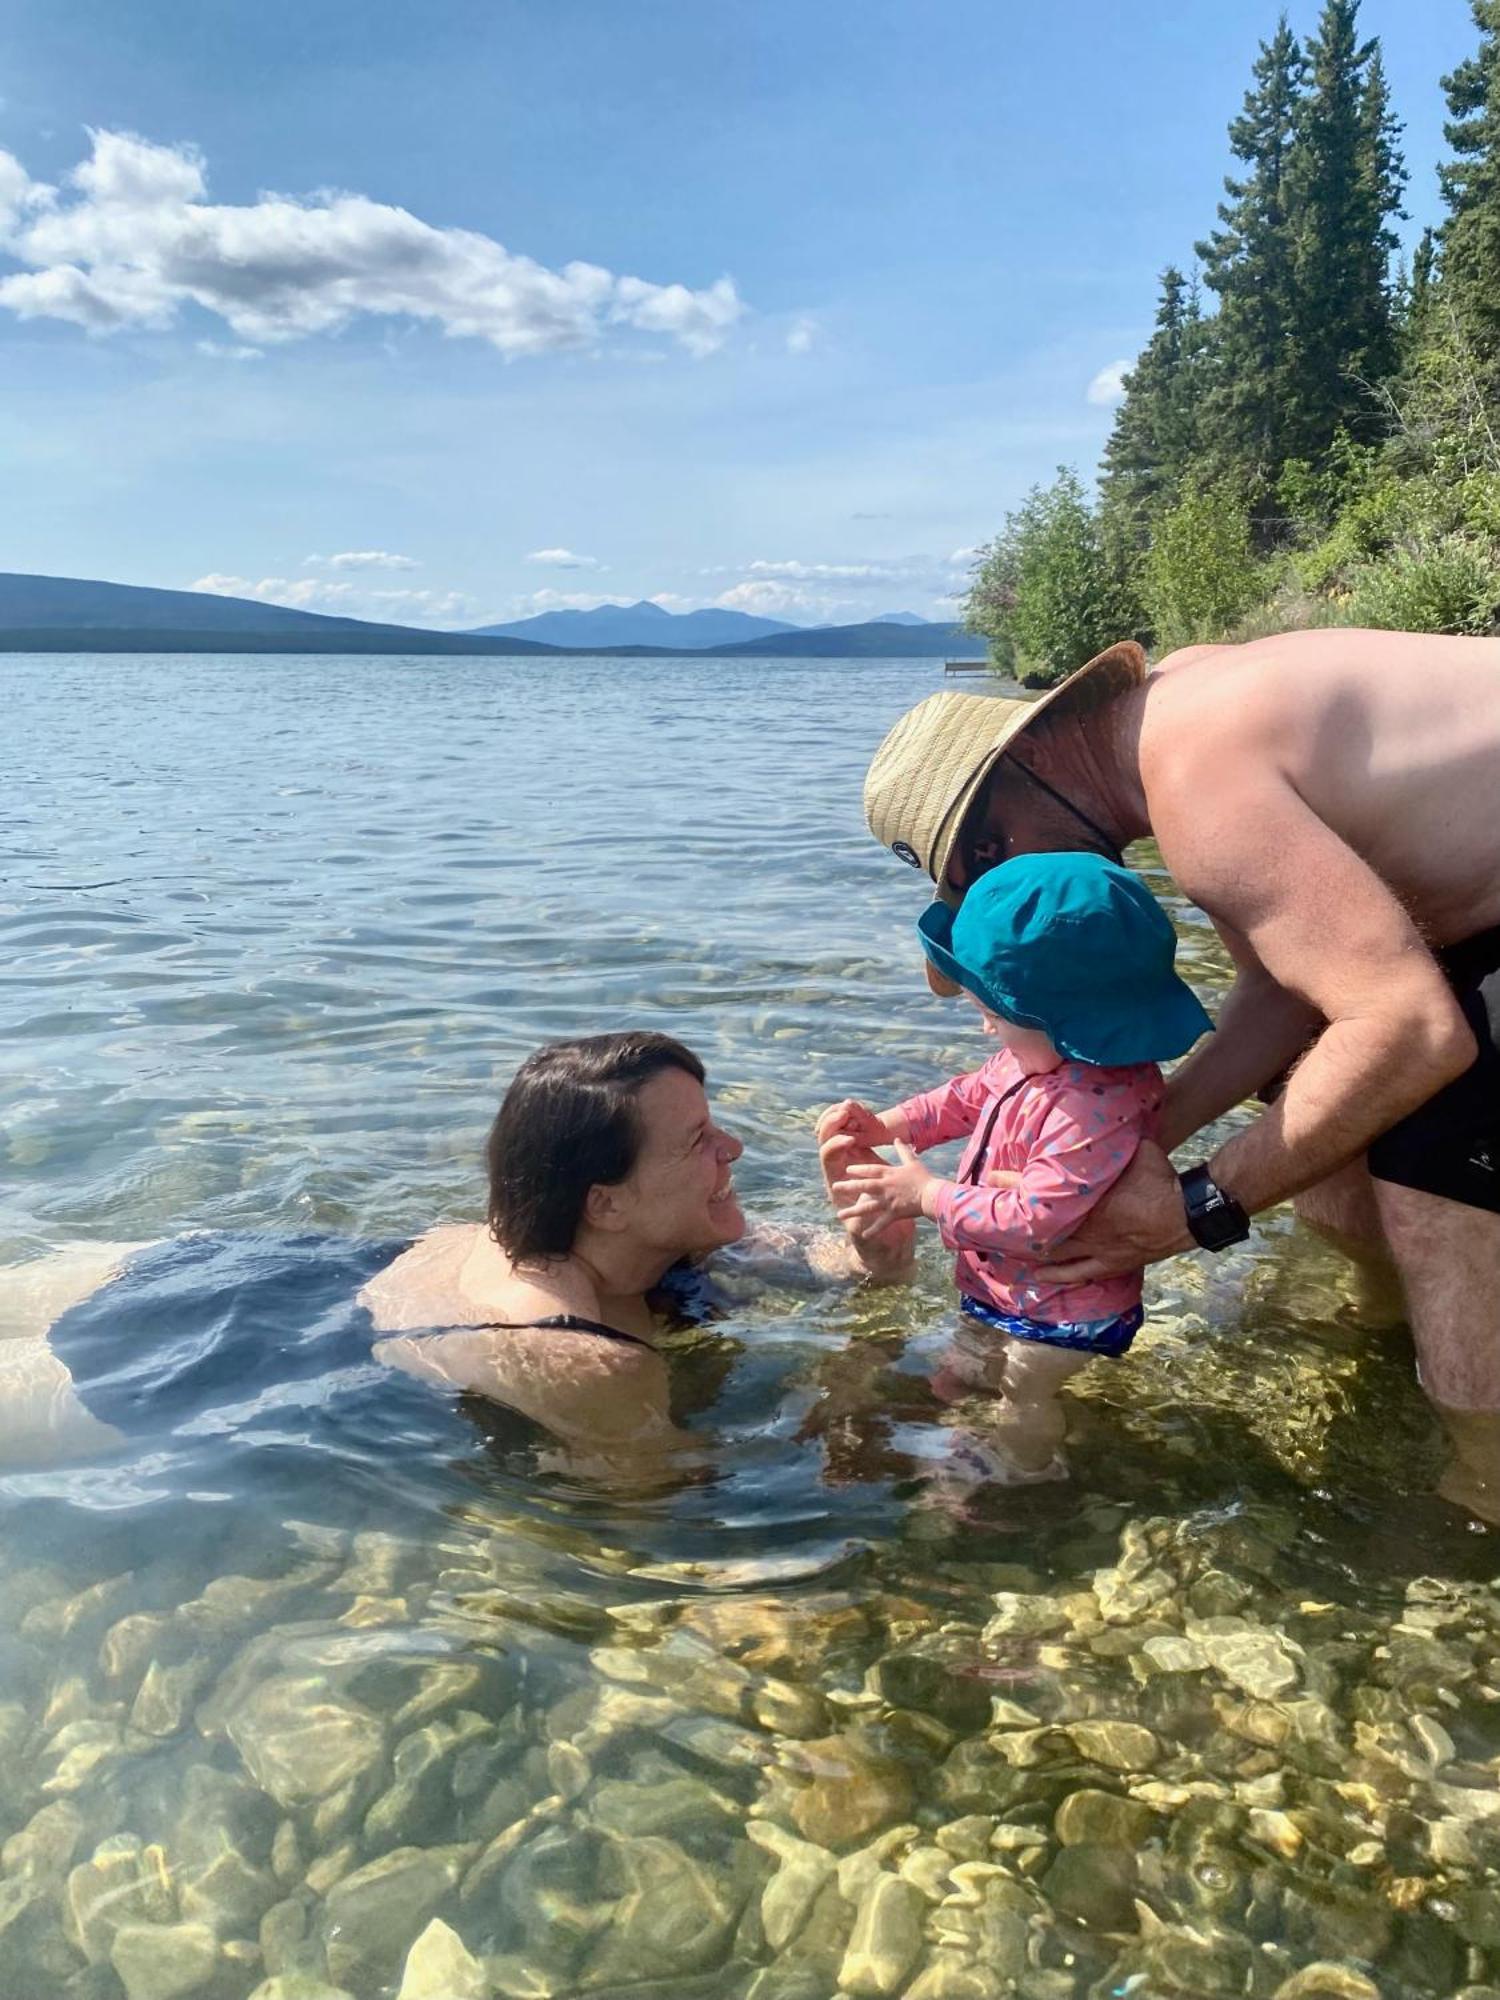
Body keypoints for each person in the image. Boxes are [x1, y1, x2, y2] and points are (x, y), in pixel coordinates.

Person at [861, 628, 1500, 1515]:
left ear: (1033, 750)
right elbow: (1284, 997)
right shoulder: (1173, 711)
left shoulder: (1200, 780)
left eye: (984, 855)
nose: (1000, 883)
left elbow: (1411, 1032)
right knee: (1325, 1114)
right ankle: (1385, 1337)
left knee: (1435, 1174)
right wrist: (1132, 1146)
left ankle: (1477, 1492)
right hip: (1469, 922)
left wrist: (1194, 1210)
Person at [0, 1032, 912, 1484]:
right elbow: (654, 1518)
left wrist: (880, 1254)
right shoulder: (583, 1356)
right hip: (221, 1361)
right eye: (700, 1141)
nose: (737, 1152)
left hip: (232, 1262)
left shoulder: (615, 1232)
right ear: (606, 1201)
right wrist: (857, 1386)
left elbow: (836, 1264)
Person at [820, 851, 1211, 1484]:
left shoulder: (1094, 1105)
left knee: (1023, 1392)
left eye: (995, 1015)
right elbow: (966, 1097)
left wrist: (926, 1196)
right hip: (1005, 1284)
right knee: (964, 1364)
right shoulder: (1038, 1057)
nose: (983, 1026)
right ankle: (952, 1412)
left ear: (1061, 1019)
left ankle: (1023, 1472)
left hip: (1065, 1304)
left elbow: (1037, 1220)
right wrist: (888, 1125)